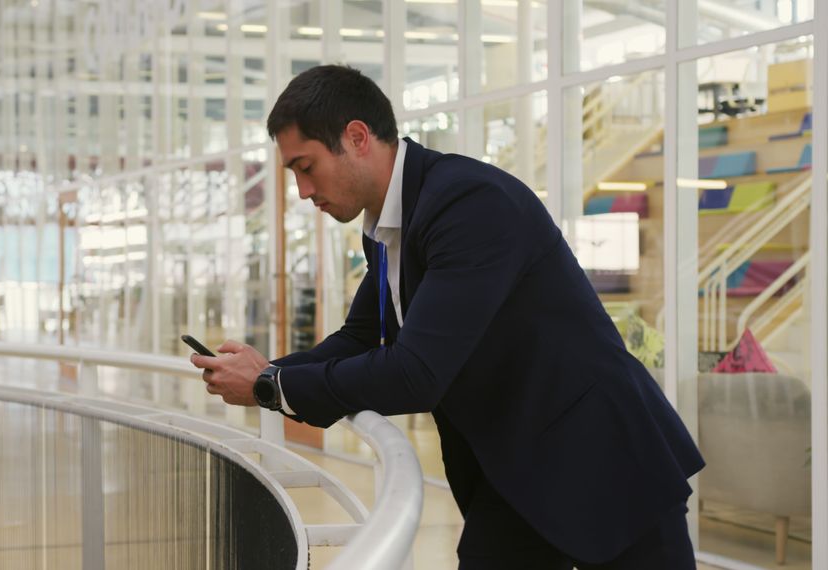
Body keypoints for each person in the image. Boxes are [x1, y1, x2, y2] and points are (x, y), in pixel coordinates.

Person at [189, 64, 704, 569]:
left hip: (607, 466)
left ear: (357, 136)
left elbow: (419, 372)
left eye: (306, 167)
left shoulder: (466, 203)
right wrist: (269, 371)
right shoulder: (390, 225)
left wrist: (268, 386)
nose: (304, 191)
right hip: (516, 476)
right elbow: (362, 338)